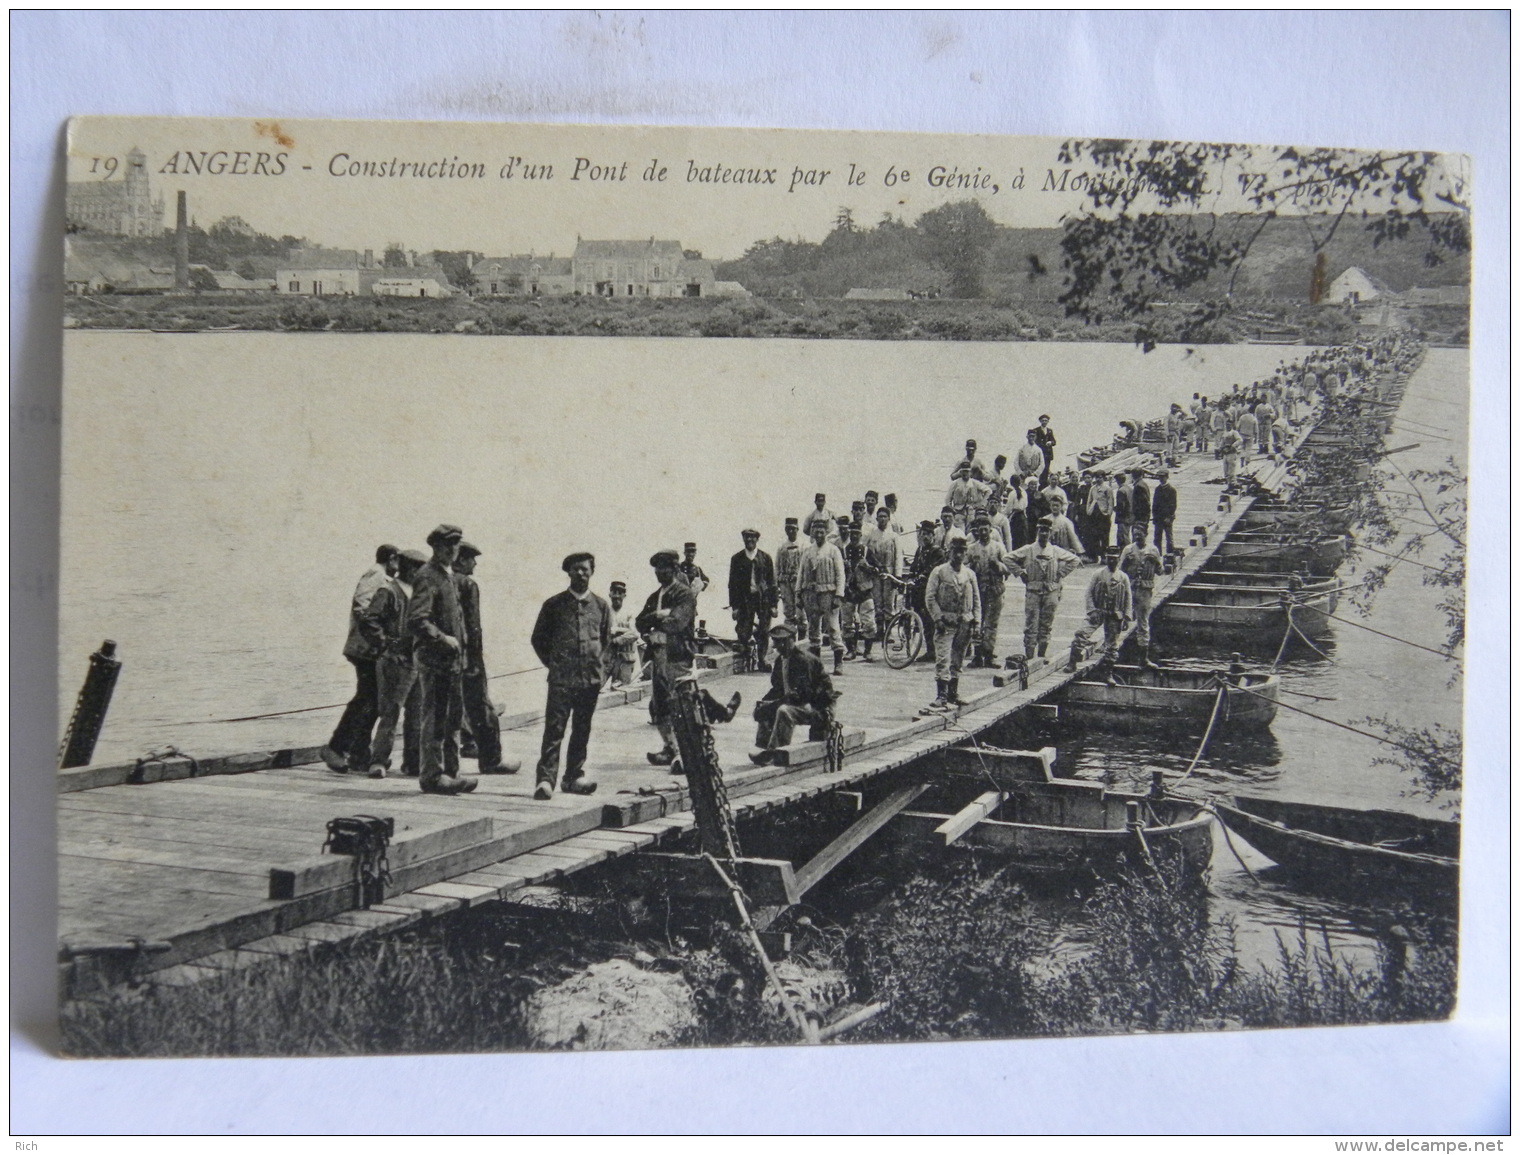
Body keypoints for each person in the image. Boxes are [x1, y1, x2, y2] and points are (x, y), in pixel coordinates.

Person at [529, 552, 611, 799]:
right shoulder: (554, 605)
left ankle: (574, 777)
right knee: (554, 731)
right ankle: (545, 780)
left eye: (585, 569)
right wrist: (555, 665)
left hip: (590, 681)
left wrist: (600, 671)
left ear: (592, 572)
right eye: (575, 569)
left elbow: (606, 643)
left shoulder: (601, 606)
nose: (580, 573)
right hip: (561, 681)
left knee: (582, 730)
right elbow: (538, 640)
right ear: (568, 572)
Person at [406, 524, 476, 795]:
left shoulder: (448, 577)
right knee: (435, 719)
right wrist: (443, 638)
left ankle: (451, 772)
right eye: (447, 545)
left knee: (452, 719)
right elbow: (417, 619)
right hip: (435, 661)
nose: (452, 550)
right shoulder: (427, 576)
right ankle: (432, 776)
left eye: (456, 545)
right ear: (435, 547)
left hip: (453, 663)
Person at [321, 543, 399, 774]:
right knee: (367, 699)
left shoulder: (381, 577)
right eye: (398, 562)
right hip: (366, 650)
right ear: (392, 558)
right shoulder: (375, 574)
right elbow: (362, 607)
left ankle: (358, 754)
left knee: (371, 700)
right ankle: (336, 747)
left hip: (369, 650)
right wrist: (380, 636)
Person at [453, 541, 519, 777]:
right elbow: (473, 627)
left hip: (448, 659)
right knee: (482, 708)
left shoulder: (443, 581)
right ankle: (491, 759)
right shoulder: (468, 585)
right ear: (461, 560)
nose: (475, 563)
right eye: (471, 558)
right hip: (469, 659)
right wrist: (474, 660)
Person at [360, 548, 426, 779]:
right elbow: (369, 621)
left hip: (418, 661)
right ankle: (378, 761)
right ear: (406, 567)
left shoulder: (419, 593)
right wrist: (386, 645)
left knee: (417, 714)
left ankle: (413, 762)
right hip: (394, 662)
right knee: (390, 713)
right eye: (417, 568)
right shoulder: (388, 591)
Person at [636, 550, 698, 767]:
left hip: (677, 655)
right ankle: (669, 748)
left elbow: (678, 622)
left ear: (674, 569)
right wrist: (659, 615)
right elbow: (639, 622)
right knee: (661, 704)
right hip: (659, 655)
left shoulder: (684, 594)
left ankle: (686, 753)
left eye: (664, 568)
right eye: (656, 568)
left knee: (680, 703)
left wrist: (658, 619)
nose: (659, 572)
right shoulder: (655, 597)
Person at [749, 624, 837, 765]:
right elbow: (777, 688)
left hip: (819, 706)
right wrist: (764, 704)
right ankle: (763, 746)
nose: (776, 646)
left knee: (784, 711)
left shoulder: (804, 661)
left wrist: (773, 706)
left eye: (779, 641)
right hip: (800, 702)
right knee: (764, 705)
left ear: (790, 640)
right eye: (775, 641)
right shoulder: (780, 661)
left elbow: (803, 695)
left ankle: (775, 752)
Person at [1007, 517, 1081, 660]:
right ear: (1037, 531)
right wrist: (1020, 572)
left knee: (1046, 624)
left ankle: (1041, 655)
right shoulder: (1028, 550)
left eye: (1047, 531)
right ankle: (1029, 656)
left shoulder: (1056, 551)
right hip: (1033, 591)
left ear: (1050, 533)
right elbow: (1007, 558)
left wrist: (1061, 573)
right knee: (1031, 624)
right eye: (1041, 530)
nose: (1044, 534)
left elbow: (1075, 560)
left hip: (1051, 591)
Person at [923, 534, 980, 710]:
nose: (958, 555)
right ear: (949, 552)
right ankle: (941, 695)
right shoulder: (939, 572)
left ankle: (953, 694)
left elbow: (977, 600)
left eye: (962, 552)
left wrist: (977, 622)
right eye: (956, 551)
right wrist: (937, 618)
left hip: (965, 622)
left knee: (958, 658)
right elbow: (930, 597)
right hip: (946, 622)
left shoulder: (970, 574)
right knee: (943, 657)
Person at [1069, 548, 1132, 679]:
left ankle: (1108, 673)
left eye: (1115, 558)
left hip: (1114, 614)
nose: (1112, 561)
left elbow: (1128, 598)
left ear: (1119, 559)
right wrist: (1092, 611)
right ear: (1106, 558)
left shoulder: (1123, 577)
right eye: (1109, 558)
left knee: (1112, 646)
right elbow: (1089, 593)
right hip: (1098, 612)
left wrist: (1127, 617)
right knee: (1081, 634)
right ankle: (1072, 662)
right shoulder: (1098, 574)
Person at [797, 518, 847, 675]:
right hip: (810, 595)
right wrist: (798, 594)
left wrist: (839, 595)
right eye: (816, 531)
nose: (818, 534)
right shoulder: (807, 551)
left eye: (821, 531)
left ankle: (838, 663)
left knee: (833, 627)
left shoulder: (833, 550)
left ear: (826, 532)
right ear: (812, 533)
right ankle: (816, 665)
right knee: (813, 629)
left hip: (828, 594)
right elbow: (800, 574)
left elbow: (840, 574)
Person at [728, 528, 777, 670]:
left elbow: (772, 582)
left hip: (763, 600)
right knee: (743, 630)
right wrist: (735, 607)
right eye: (746, 538)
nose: (749, 541)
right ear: (743, 539)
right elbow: (733, 584)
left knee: (764, 630)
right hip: (744, 599)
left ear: (757, 540)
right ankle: (745, 659)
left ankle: (762, 660)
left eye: (752, 538)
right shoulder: (737, 559)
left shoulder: (765, 558)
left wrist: (774, 605)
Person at [966, 515, 1012, 668]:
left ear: (991, 530)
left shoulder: (998, 547)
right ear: (977, 532)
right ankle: (977, 655)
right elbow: (964, 570)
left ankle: (989, 655)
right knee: (977, 622)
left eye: (986, 530)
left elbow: (1008, 569)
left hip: (995, 590)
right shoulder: (972, 549)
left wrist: (998, 565)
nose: (984, 533)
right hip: (977, 591)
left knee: (991, 624)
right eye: (981, 530)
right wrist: (971, 566)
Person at [1120, 533, 1166, 668]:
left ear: (1146, 534)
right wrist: (1127, 562)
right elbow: (1119, 571)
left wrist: (1156, 561)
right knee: (1121, 618)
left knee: (1143, 623)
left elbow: (1160, 571)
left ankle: (1143, 658)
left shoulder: (1153, 550)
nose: (1138, 536)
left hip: (1145, 590)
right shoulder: (1128, 550)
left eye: (1141, 533)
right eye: (1136, 533)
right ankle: (1110, 649)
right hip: (1130, 589)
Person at [863, 505, 901, 650]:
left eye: (885, 516)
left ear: (889, 519)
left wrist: (896, 576)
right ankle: (880, 630)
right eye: (880, 516)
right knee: (877, 602)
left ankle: (889, 632)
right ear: (877, 518)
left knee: (889, 603)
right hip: (876, 574)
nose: (882, 519)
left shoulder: (894, 536)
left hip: (890, 573)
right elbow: (866, 553)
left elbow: (898, 556)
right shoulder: (872, 535)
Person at [908, 519, 944, 663]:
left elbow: (932, 569)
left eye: (929, 534)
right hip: (919, 591)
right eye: (923, 534)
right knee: (923, 620)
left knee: (931, 621)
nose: (926, 537)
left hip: (931, 592)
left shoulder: (938, 552)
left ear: (933, 536)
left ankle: (934, 650)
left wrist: (919, 578)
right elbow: (914, 567)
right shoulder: (920, 550)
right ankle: (930, 650)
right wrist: (910, 577)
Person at [842, 524, 878, 661]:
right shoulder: (844, 551)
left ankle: (868, 651)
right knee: (847, 623)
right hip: (849, 591)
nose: (854, 537)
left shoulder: (867, 551)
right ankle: (851, 650)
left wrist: (868, 568)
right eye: (852, 534)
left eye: (857, 534)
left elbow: (877, 569)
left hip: (865, 591)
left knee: (868, 622)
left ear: (861, 535)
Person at [606, 580, 640, 688]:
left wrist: (617, 639)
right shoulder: (606, 612)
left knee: (621, 688)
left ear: (624, 595)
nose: (616, 596)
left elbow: (634, 634)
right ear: (610, 594)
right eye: (614, 592)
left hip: (625, 658)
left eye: (620, 593)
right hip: (608, 657)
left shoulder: (629, 612)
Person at [775, 517, 803, 629]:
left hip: (799, 582)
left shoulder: (803, 546)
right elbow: (776, 566)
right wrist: (777, 584)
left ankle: (802, 641)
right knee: (788, 611)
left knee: (801, 611)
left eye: (793, 529)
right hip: (785, 582)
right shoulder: (781, 547)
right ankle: (789, 641)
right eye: (788, 529)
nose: (791, 531)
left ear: (798, 529)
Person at [1043, 492, 1085, 557]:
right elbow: (1039, 536)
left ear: (1061, 506)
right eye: (1053, 505)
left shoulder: (1066, 521)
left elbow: (1073, 538)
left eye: (1057, 505)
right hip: (1048, 552)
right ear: (1050, 506)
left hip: (1063, 551)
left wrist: (1079, 551)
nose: (1055, 507)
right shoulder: (1045, 519)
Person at [1085, 471, 1115, 557]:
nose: (1098, 479)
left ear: (1103, 478)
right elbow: (1089, 500)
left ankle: (1104, 556)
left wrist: (1108, 513)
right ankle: (1095, 556)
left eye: (1100, 477)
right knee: (1095, 535)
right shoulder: (1093, 488)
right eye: (1097, 477)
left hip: (1103, 514)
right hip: (1094, 514)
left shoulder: (1107, 488)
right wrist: (1088, 510)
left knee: (1104, 536)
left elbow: (1110, 502)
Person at [1151, 469, 1179, 556]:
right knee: (1157, 538)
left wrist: (1169, 517)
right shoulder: (1158, 489)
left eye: (1163, 477)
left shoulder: (1171, 490)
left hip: (1167, 518)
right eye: (1160, 477)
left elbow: (1173, 505)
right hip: (1158, 518)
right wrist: (1154, 516)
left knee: (1169, 538)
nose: (1161, 479)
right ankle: (1158, 555)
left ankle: (1170, 555)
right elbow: (1155, 504)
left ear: (1167, 477)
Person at [679, 542, 709, 614]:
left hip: (691, 604)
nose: (690, 554)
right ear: (684, 553)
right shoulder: (679, 567)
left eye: (692, 552)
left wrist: (700, 586)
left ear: (695, 554)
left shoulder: (697, 569)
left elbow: (706, 580)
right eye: (688, 552)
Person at [1129, 469, 1152, 552]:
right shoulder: (1143, 484)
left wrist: (1135, 516)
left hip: (1139, 517)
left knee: (1137, 536)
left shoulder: (1139, 486)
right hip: (1143, 516)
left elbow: (1142, 504)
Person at [1033, 415, 1057, 485]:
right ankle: (1039, 483)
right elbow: (1035, 442)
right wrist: (1042, 445)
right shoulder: (1036, 430)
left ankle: (1044, 484)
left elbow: (1054, 441)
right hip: (1040, 453)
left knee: (1046, 469)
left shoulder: (1049, 431)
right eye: (1043, 420)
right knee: (1040, 469)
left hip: (1048, 454)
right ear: (1040, 421)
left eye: (1046, 421)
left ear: (1048, 421)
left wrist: (1050, 442)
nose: (1044, 422)